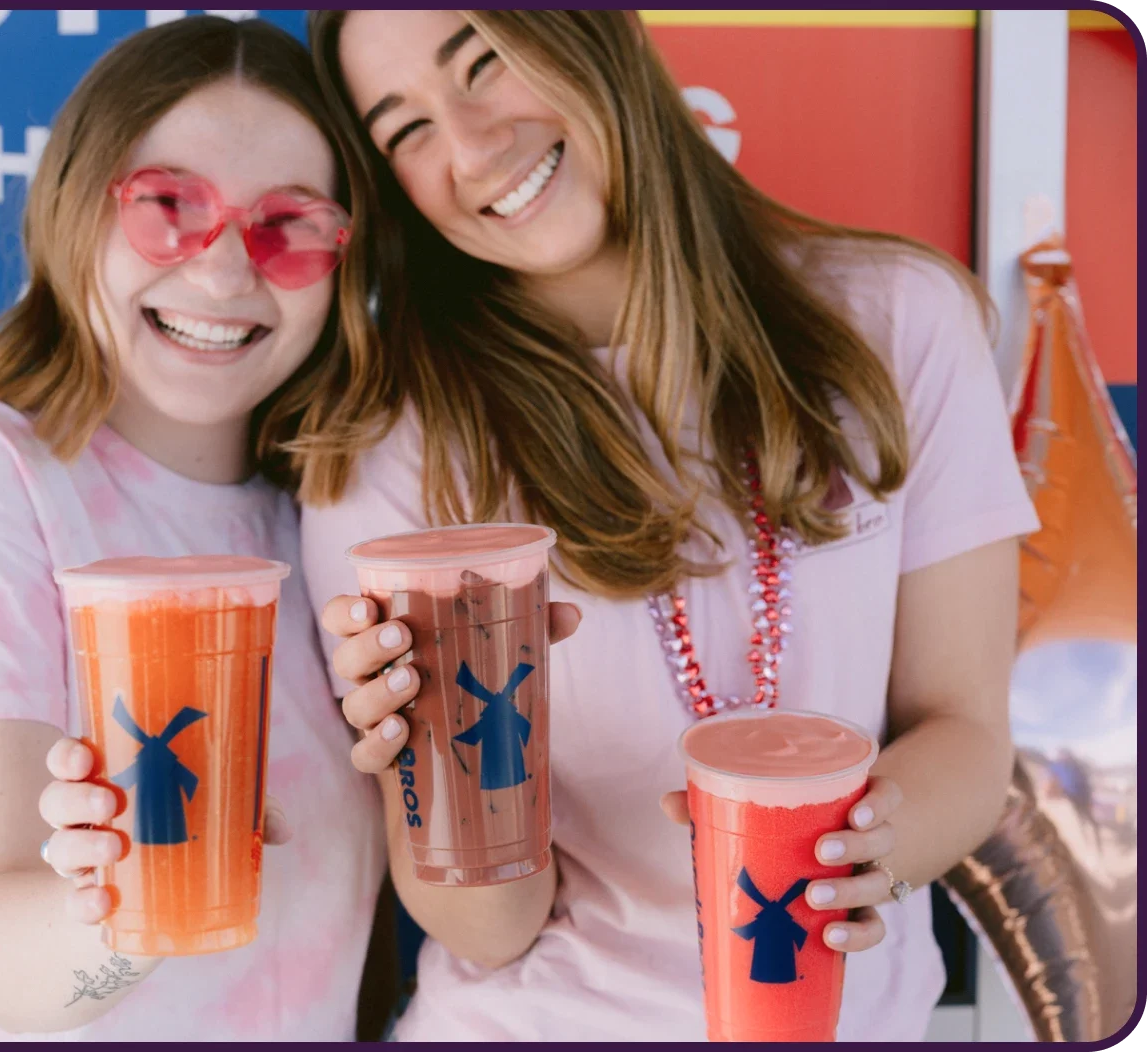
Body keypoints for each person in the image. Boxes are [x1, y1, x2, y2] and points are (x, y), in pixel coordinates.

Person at [290, 10, 1041, 1042]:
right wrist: (447, 774)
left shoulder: (898, 319)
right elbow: (491, 931)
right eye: (404, 130)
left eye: (486, 67)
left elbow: (962, 728)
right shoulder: (384, 444)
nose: (468, 148)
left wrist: (858, 845)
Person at [0, 17, 386, 1041]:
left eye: (287, 226)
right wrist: (141, 903)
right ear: (78, 207)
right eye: (168, 207)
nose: (221, 273)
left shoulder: (337, 512)